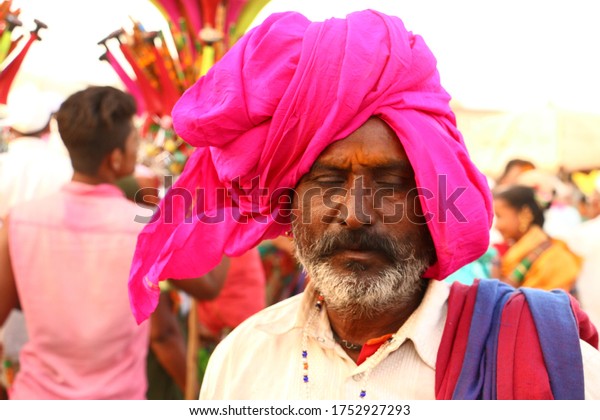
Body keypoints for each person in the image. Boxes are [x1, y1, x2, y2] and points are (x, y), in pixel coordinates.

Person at [127, 11, 600, 399]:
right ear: (289, 202)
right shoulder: (243, 360)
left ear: (431, 204)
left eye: (391, 183)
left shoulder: (548, 360)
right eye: (329, 181)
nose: (355, 213)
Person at [0, 86, 150, 399]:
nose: (138, 148)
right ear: (116, 157)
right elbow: (208, 286)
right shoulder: (146, 228)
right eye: (135, 138)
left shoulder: (18, 221)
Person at [492, 185, 581, 291]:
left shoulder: (553, 257)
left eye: (499, 216)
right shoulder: (514, 251)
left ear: (525, 214)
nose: (497, 225)